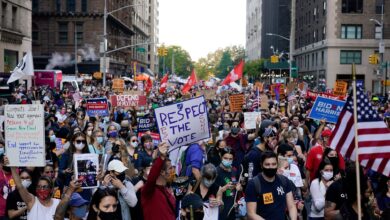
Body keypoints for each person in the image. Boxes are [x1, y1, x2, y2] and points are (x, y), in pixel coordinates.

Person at [245, 151, 297, 220]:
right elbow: (251, 213)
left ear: (277, 165)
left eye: (273, 164)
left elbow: (291, 206)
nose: (271, 167)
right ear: (261, 165)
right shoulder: (254, 184)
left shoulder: (284, 181)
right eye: (267, 164)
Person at [141, 142, 176, 220]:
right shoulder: (148, 191)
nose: (173, 171)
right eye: (170, 168)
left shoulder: (166, 190)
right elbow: (152, 178)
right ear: (162, 172)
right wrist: (162, 157)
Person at [215, 147, 242, 220]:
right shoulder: (216, 172)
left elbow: (238, 187)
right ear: (221, 156)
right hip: (220, 209)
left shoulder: (234, 170)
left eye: (230, 159)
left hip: (232, 208)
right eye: (225, 158)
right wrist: (224, 188)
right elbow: (211, 192)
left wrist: (239, 187)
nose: (228, 161)